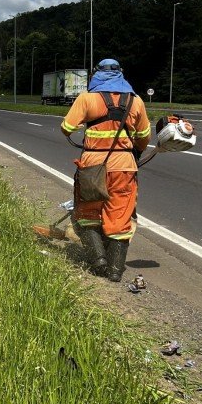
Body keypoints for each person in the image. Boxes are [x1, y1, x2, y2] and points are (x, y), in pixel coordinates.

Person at [60, 59, 150, 281]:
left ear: (96, 75)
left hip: (92, 165)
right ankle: (115, 270)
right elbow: (144, 137)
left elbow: (67, 128)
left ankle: (98, 259)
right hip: (124, 167)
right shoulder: (135, 101)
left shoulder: (87, 99)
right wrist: (132, 150)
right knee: (120, 214)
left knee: (88, 212)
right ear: (121, 75)